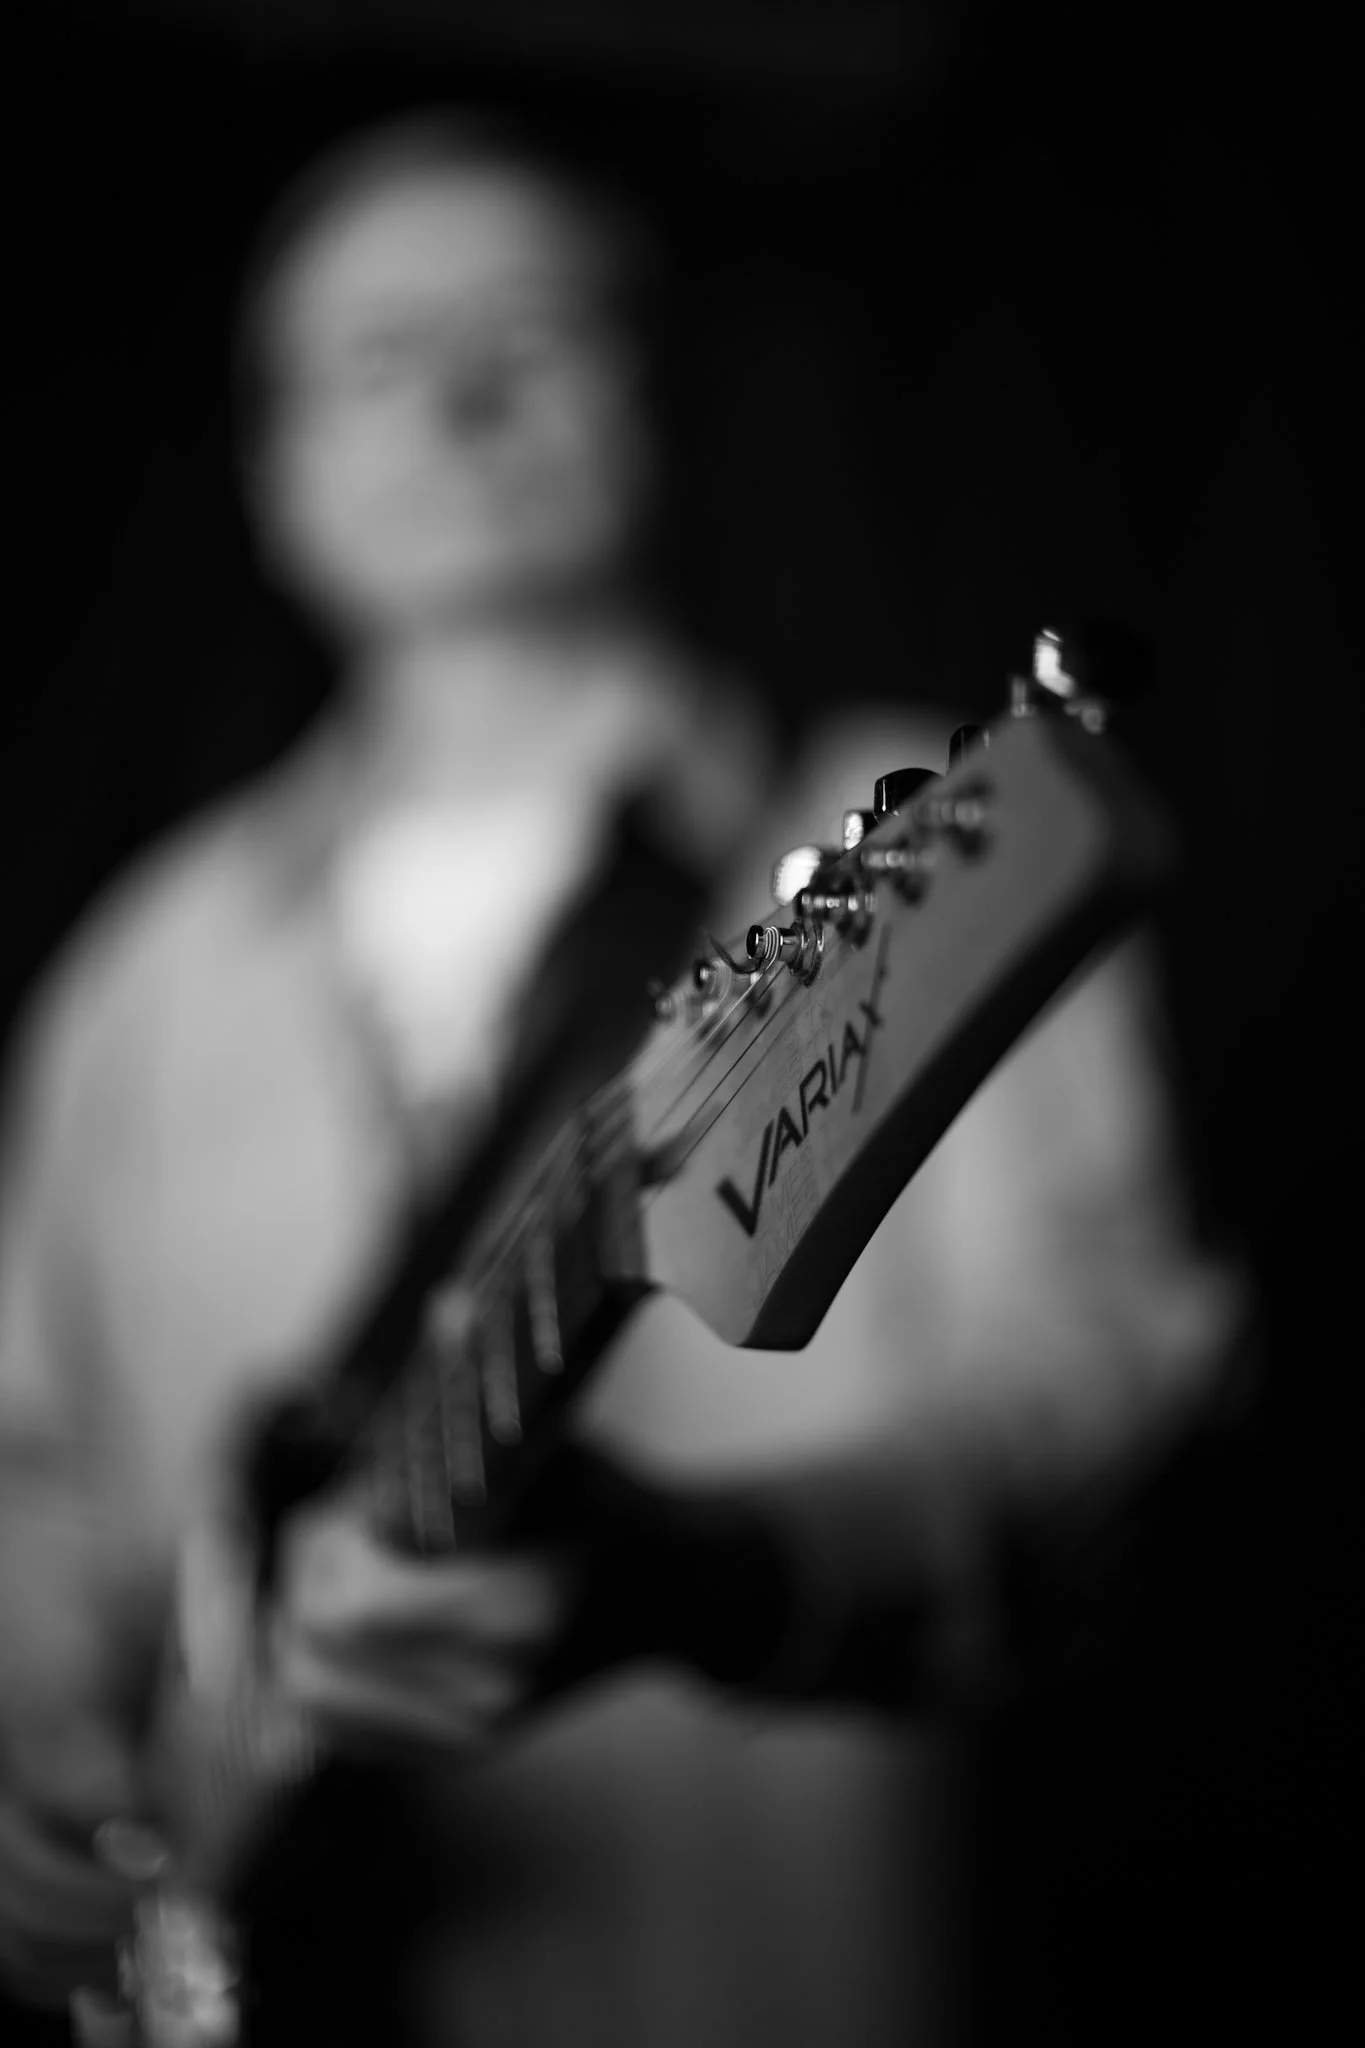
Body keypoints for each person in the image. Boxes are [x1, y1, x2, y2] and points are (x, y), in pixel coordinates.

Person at [0, 113, 1244, 2047]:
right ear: (274, 467)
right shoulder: (133, 987)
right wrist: (57, 1782)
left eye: (532, 325)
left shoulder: (888, 842)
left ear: (649, 391)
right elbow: (38, 1488)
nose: (464, 397)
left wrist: (710, 1578)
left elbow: (1112, 1424)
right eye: (377, 357)